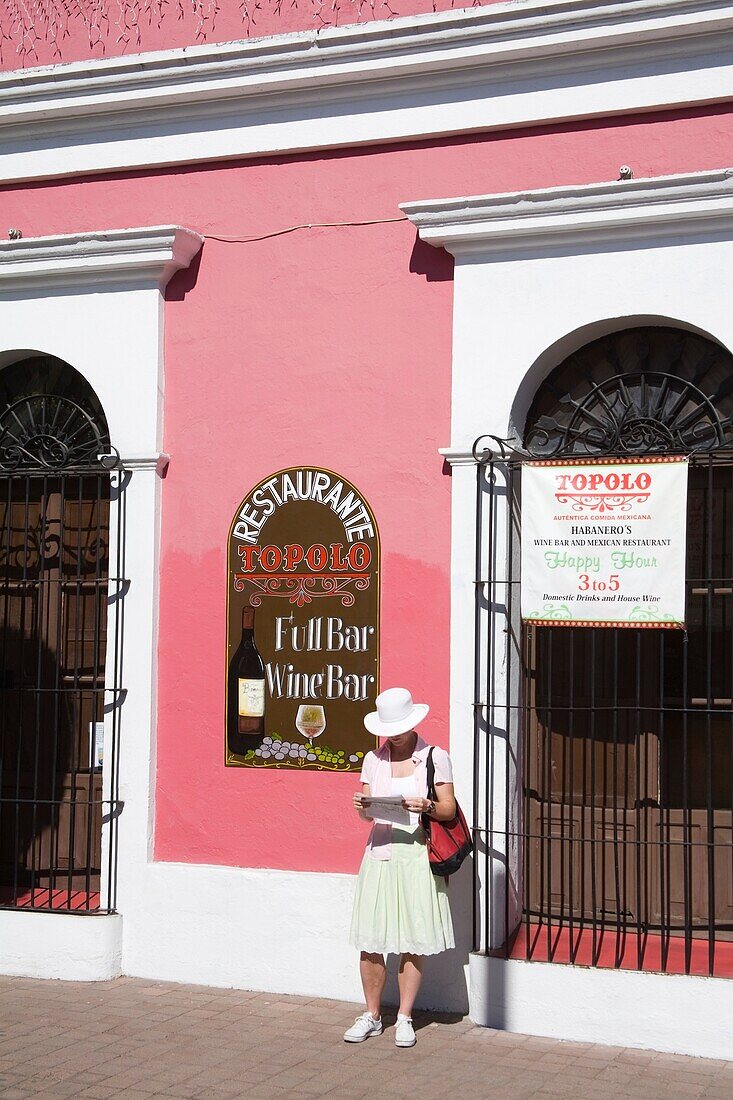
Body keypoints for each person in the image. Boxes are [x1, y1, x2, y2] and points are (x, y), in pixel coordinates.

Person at [344, 687, 455, 1048]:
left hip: (416, 857)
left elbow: (448, 810)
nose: (395, 735)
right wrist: (362, 804)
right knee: (371, 938)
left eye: (401, 727)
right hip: (379, 853)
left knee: (412, 937)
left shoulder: (435, 757)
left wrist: (425, 803)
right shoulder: (373, 759)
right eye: (390, 729)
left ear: (414, 722)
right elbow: (365, 815)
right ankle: (373, 1015)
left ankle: (405, 1016)